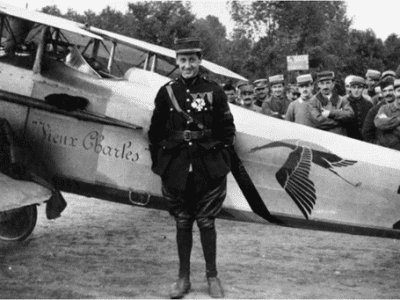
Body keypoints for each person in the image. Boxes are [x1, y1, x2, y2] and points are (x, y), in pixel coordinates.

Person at [148, 37, 235, 299]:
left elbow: (227, 131)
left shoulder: (214, 91)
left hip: (207, 166)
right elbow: (155, 131)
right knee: (183, 222)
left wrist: (215, 154)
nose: (187, 65)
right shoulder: (167, 92)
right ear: (177, 61)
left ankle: (212, 277)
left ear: (199, 61)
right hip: (176, 166)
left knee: (207, 222)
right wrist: (163, 163)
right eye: (183, 60)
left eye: (192, 60)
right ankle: (183, 278)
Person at [308, 71, 354, 135]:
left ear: (333, 84)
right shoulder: (313, 101)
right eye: (322, 83)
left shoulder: (342, 99)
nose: (325, 86)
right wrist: (340, 121)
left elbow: (350, 115)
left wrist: (331, 113)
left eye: (328, 83)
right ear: (318, 84)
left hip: (340, 137)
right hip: (322, 138)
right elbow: (318, 121)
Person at [362, 77, 395, 144]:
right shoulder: (374, 110)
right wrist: (378, 145)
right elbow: (366, 133)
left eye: (390, 90)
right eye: (384, 91)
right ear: (382, 93)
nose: (388, 93)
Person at [343, 76, 373, 140]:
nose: (356, 90)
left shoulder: (369, 105)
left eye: (359, 87)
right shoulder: (344, 102)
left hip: (365, 140)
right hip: (347, 138)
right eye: (354, 87)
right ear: (350, 88)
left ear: (363, 89)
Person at [373, 78, 400, 150]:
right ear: (394, 92)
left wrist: (389, 127)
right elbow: (378, 123)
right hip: (387, 151)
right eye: (399, 91)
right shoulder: (384, 109)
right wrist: (398, 120)